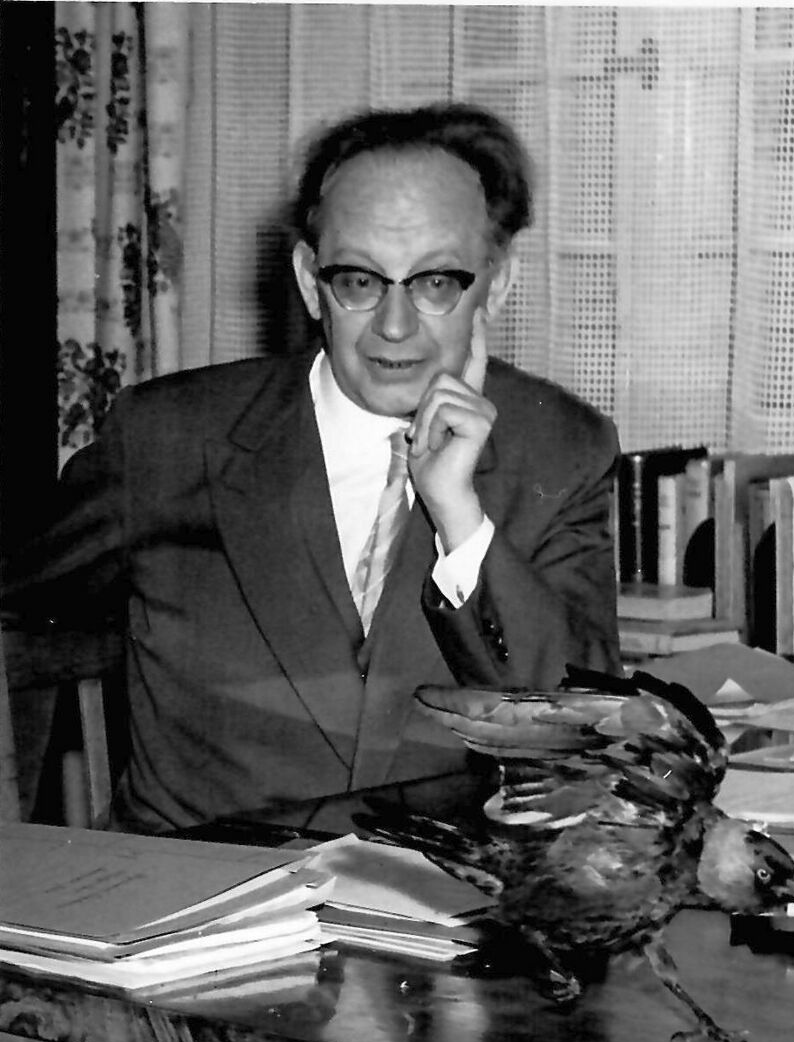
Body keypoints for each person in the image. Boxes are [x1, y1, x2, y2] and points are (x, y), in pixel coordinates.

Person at [2, 102, 621, 834]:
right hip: (198, 885)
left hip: (437, 888)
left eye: (435, 283)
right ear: (307, 280)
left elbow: (583, 734)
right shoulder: (169, 439)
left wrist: (461, 518)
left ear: (497, 283)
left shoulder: (560, 447)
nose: (394, 326)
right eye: (358, 281)